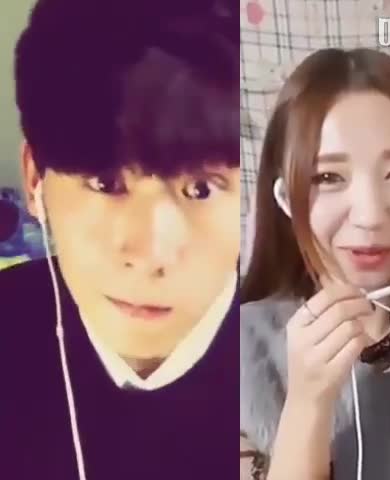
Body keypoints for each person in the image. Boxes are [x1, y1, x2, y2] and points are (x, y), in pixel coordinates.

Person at [0, 1, 239, 479]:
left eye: (201, 189)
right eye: (106, 183)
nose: (149, 255)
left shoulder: (311, 362)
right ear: (35, 180)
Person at [240, 47, 390, 480]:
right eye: (328, 177)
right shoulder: (236, 349)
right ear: (285, 198)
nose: (370, 216)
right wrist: (307, 404)